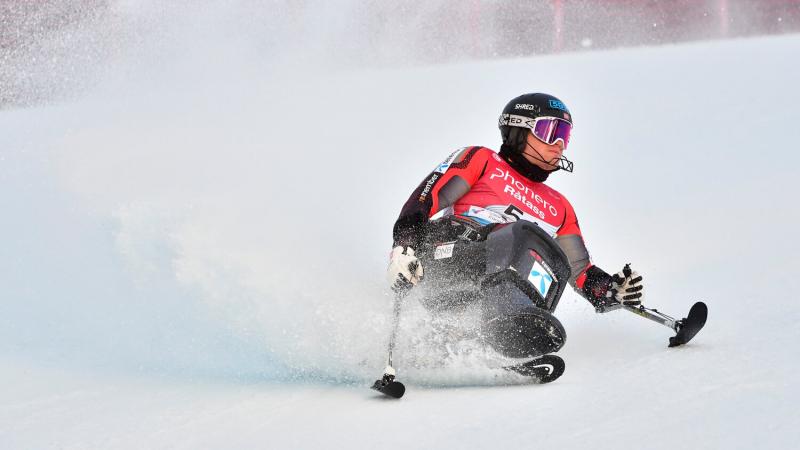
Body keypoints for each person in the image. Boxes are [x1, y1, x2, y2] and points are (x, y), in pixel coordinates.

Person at [386, 93, 644, 360]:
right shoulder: (483, 160)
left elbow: (578, 270)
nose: (558, 145)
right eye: (549, 131)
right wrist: (403, 247)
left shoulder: (560, 206)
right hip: (449, 256)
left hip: (489, 286)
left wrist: (610, 290)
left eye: (564, 136)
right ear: (519, 131)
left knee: (553, 257)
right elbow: (425, 198)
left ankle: (479, 341)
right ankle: (509, 327)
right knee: (524, 233)